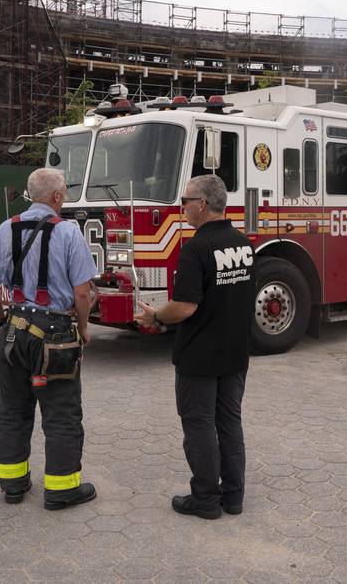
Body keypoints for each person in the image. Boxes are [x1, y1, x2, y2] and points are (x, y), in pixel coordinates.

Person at [135, 174, 255, 520]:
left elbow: (185, 307)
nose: (182, 207)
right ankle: (233, 498)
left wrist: (156, 316)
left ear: (202, 205)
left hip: (200, 356)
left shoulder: (196, 249)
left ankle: (205, 499)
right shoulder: (244, 245)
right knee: (230, 422)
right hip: (235, 353)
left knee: (199, 425)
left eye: (185, 200)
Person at [0, 168, 98, 510]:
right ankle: (61, 490)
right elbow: (82, 293)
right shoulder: (69, 233)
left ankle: (13, 484)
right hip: (56, 334)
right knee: (61, 412)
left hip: (14, 331)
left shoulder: (5, 230)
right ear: (58, 197)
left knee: (13, 409)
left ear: (31, 195)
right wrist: (85, 328)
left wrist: (0, 324)